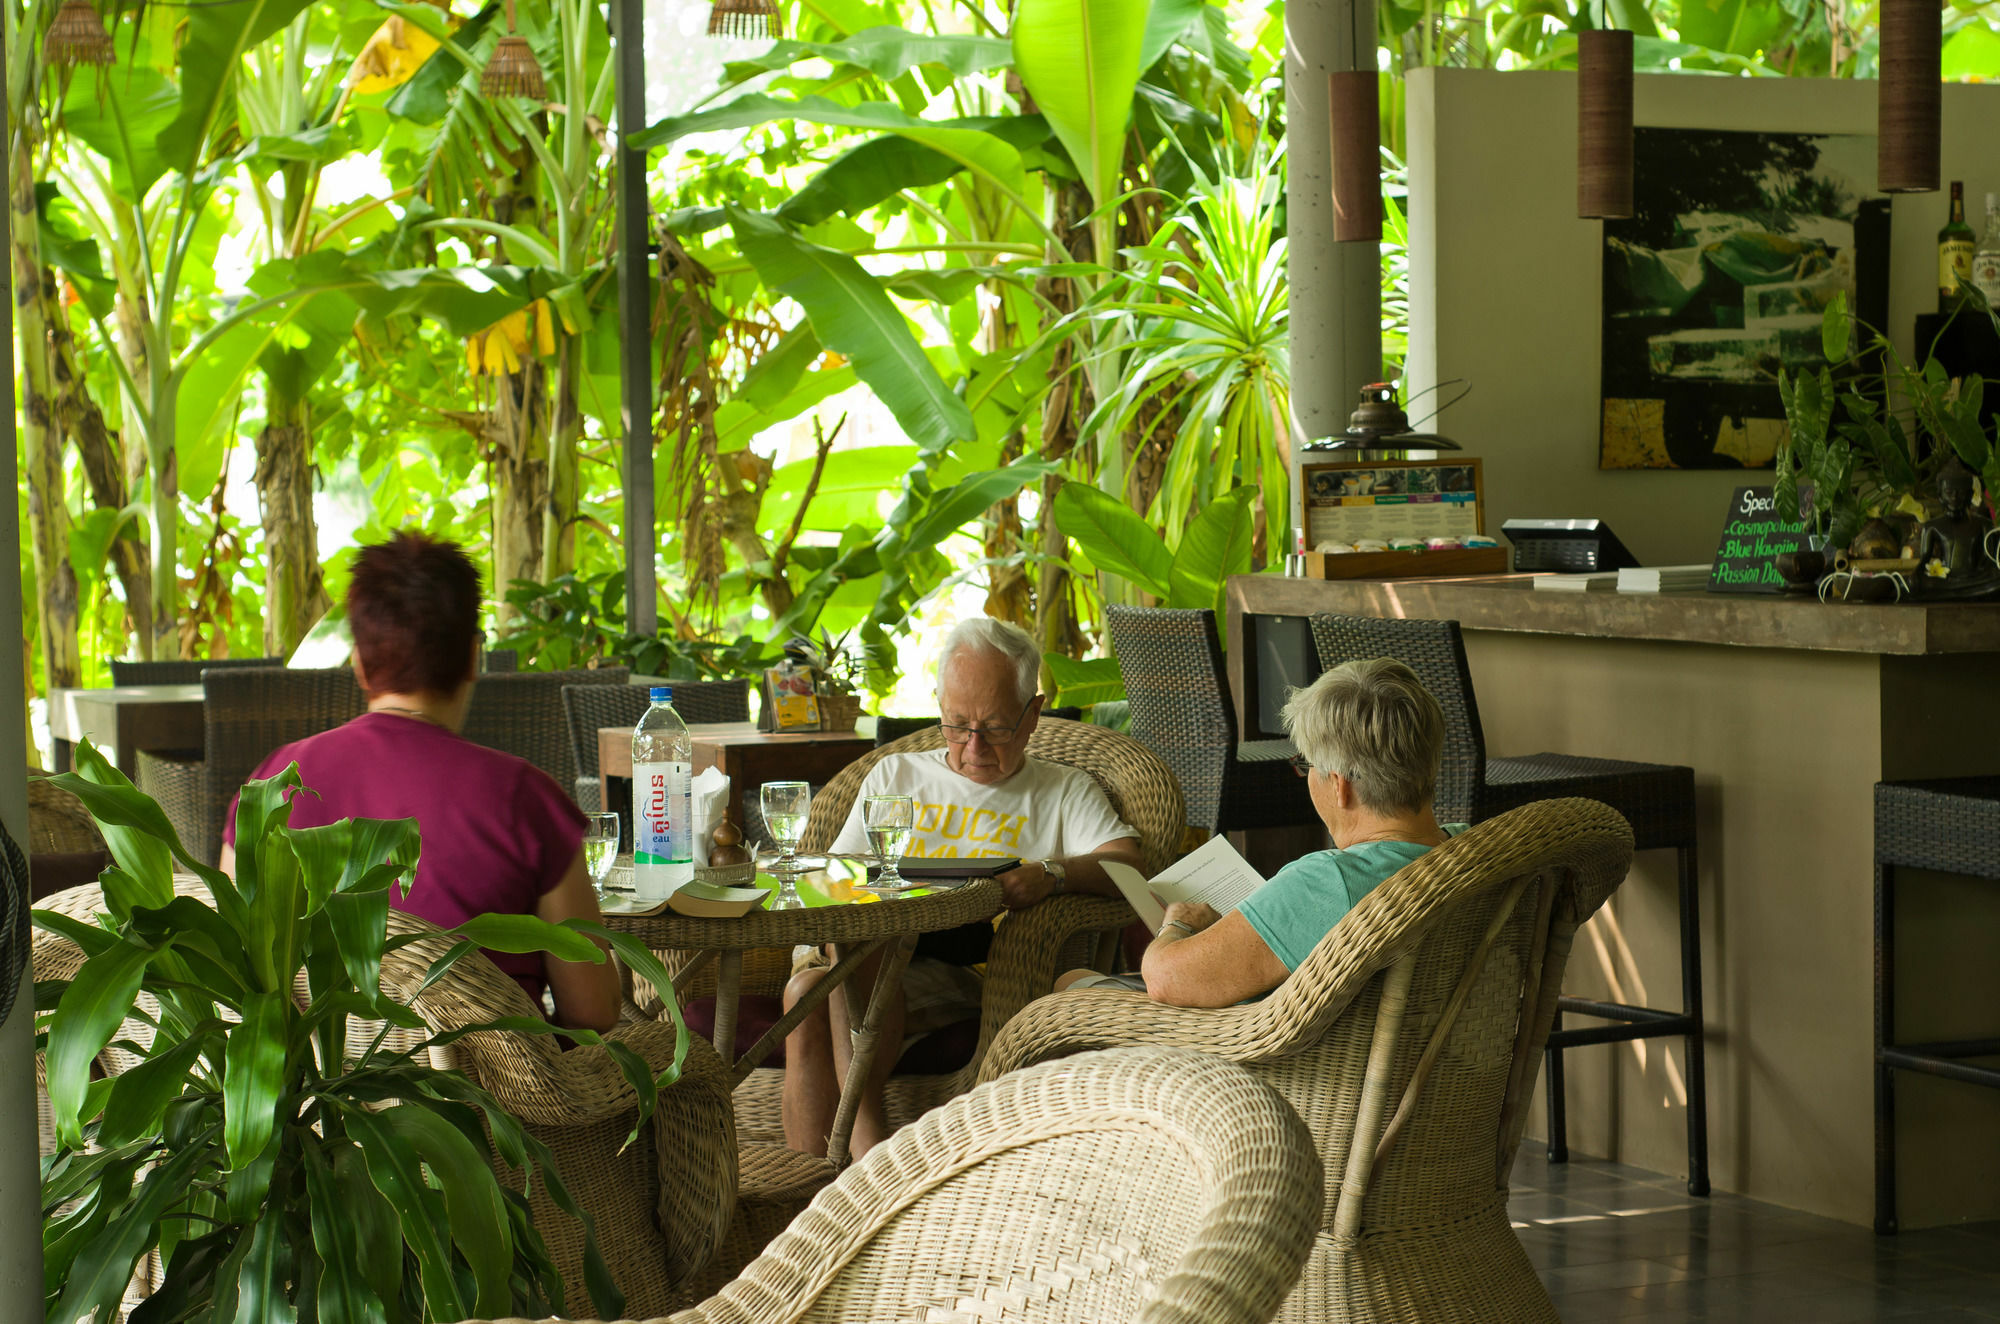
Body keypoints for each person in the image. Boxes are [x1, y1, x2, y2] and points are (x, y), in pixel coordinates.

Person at [217, 531, 620, 1033]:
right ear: (473, 658)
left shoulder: (272, 788)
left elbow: (235, 978)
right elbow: (594, 1013)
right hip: (500, 1105)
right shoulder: (527, 802)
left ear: (360, 666)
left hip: (315, 1103)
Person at [782, 617, 1145, 1157]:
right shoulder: (895, 776)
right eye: (956, 725)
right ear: (939, 705)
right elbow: (836, 875)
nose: (972, 747)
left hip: (977, 970)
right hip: (869, 955)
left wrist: (1052, 874)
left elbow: (1128, 866)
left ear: (1033, 715)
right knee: (813, 982)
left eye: (995, 728)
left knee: (811, 993)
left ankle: (853, 1171)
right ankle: (845, 1170)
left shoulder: (1062, 789)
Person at [1061, 658, 1458, 1007]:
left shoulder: (1331, 883)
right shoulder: (1471, 846)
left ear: (1339, 785)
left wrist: (1179, 923)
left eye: (1307, 766)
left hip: (1261, 1067)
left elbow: (1166, 978)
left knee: (1072, 985)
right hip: (1434, 1070)